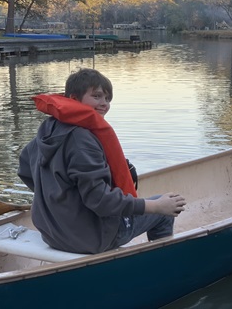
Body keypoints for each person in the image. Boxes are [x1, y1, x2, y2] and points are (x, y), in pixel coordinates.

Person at [18, 68, 186, 254]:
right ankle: (163, 268)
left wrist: (60, 198)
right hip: (91, 239)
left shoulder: (48, 129)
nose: (104, 104)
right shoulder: (82, 140)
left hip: (51, 234)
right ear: (74, 99)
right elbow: (99, 200)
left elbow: (25, 168)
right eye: (97, 96)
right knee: (166, 208)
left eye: (107, 99)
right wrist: (156, 206)